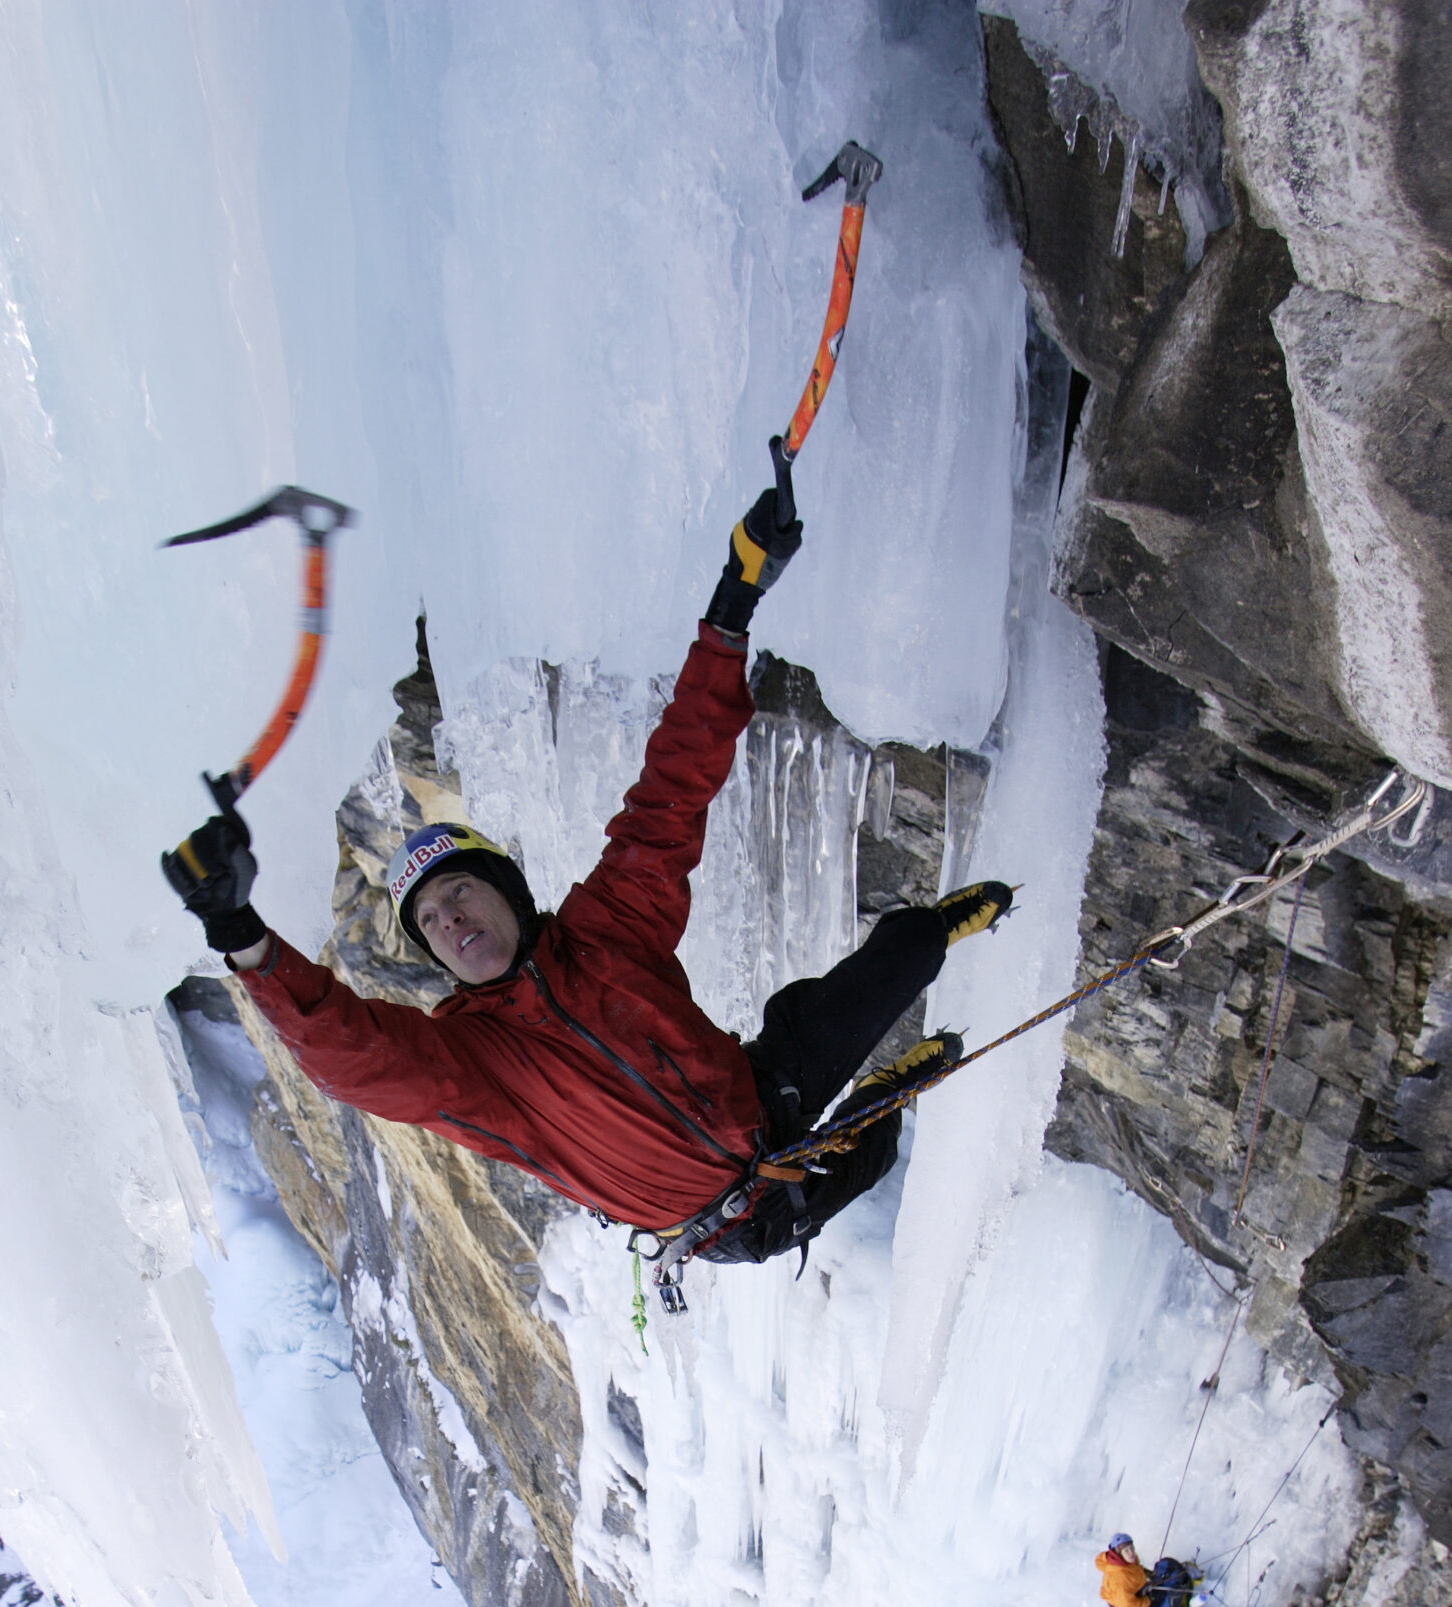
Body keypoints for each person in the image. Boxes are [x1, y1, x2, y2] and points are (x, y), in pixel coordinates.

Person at [162, 462, 1013, 1282]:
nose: (451, 920)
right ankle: (894, 1093)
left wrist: (731, 605)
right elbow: (354, 1058)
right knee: (861, 1151)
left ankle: (934, 928)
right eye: (430, 924)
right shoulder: (476, 1066)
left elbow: (673, 788)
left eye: (460, 891)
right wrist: (240, 935)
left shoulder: (609, 927)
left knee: (884, 971)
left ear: (508, 894)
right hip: (736, 1216)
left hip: (757, 1100)